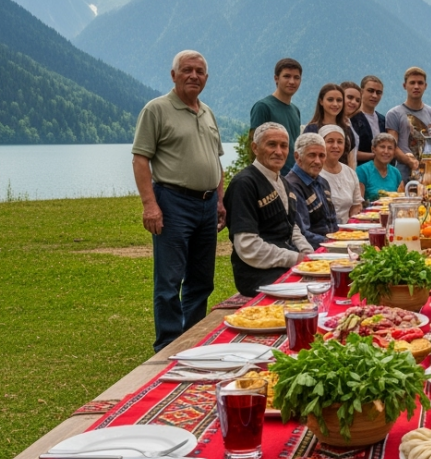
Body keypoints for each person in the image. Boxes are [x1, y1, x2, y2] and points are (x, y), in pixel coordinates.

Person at [131, 50, 225, 352]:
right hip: (173, 202)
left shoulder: (207, 113)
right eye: (187, 70)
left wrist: (220, 201)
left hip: (208, 205)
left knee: (201, 280)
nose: (193, 76)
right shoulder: (156, 110)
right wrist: (150, 204)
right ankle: (169, 345)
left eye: (199, 71)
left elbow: (215, 161)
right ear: (174, 75)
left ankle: (192, 339)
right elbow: (140, 159)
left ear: (206, 78)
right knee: (169, 282)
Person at [223, 123, 313, 299]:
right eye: (272, 144)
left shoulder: (284, 183)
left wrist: (309, 254)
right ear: (255, 148)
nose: (279, 151)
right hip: (257, 275)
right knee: (316, 291)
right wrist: (295, 259)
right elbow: (247, 246)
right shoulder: (244, 184)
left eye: (284, 146)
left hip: (282, 267)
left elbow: (291, 227)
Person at [385, 67, 431, 182]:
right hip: (403, 174)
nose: (416, 86)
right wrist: (409, 161)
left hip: (429, 173)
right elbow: (392, 146)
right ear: (404, 86)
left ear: (425, 86)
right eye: (412, 83)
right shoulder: (394, 114)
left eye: (420, 83)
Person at [249, 58, 303, 171]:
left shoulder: (295, 110)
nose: (292, 81)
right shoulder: (263, 107)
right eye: (287, 76)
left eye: (296, 77)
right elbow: (254, 147)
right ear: (276, 78)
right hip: (271, 176)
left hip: (293, 177)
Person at [285, 133, 338, 249]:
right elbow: (302, 233)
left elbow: (332, 222)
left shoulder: (323, 182)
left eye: (322, 156)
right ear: (297, 157)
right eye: (312, 155)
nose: (318, 161)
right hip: (311, 252)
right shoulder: (292, 186)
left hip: (330, 246)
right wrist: (335, 243)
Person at [304, 83, 357, 168]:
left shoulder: (347, 130)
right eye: (330, 100)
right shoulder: (312, 130)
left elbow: (351, 161)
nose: (335, 104)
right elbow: (306, 159)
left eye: (339, 100)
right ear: (321, 101)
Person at [319, 125, 363, 224]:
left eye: (340, 142)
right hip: (321, 232)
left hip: (346, 232)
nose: (335, 146)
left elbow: (356, 205)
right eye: (330, 141)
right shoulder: (315, 173)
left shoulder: (350, 173)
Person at [356, 132, 403, 202]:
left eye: (390, 148)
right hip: (369, 212)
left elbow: (402, 199)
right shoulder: (362, 171)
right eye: (382, 147)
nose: (386, 151)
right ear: (373, 149)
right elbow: (359, 202)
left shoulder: (396, 173)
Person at [352, 75, 387, 164]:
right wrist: (376, 156)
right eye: (370, 91)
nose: (374, 95)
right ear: (361, 91)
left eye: (378, 92)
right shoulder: (352, 119)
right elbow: (348, 152)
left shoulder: (383, 120)